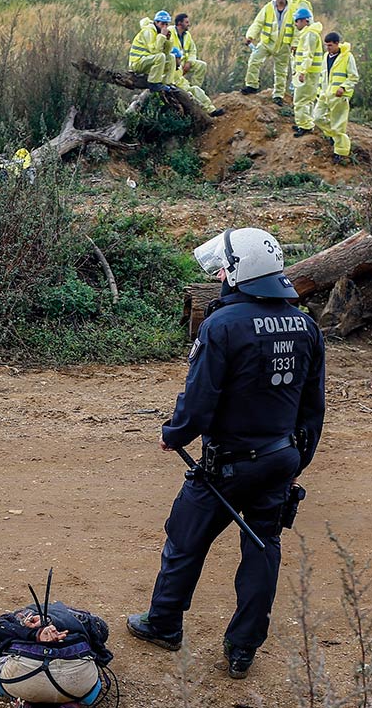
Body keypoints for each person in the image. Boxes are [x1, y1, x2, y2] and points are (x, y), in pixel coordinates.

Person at [126, 227, 326, 678]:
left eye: (223, 266)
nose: (218, 273)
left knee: (184, 538)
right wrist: (297, 463)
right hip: (281, 459)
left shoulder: (221, 325)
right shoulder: (306, 326)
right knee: (263, 548)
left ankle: (163, 624)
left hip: (226, 464)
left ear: (239, 271)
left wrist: (174, 434)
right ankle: (243, 649)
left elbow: (199, 401)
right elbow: (314, 409)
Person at [0, 596, 114, 708]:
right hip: (76, 685)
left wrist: (33, 634)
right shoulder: (80, 618)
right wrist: (62, 623)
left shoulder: (19, 617)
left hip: (21, 680)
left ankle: (22, 703)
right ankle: (71, 705)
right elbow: (102, 631)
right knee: (94, 685)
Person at [243, 0, 295, 104]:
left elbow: (296, 29)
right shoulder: (268, 8)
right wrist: (250, 36)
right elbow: (258, 23)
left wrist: (295, 44)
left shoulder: (293, 9)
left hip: (283, 45)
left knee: (281, 71)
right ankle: (251, 85)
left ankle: (278, 95)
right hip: (267, 43)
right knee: (254, 61)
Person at [312, 32, 359, 164]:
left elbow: (353, 77)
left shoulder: (347, 57)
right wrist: (319, 92)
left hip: (339, 97)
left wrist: (343, 88)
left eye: (330, 45)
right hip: (325, 95)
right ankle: (334, 136)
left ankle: (340, 152)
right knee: (317, 117)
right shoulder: (326, 56)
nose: (328, 48)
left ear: (337, 44)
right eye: (326, 45)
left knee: (339, 125)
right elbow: (323, 77)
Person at [169, 13, 224, 117]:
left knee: (201, 67)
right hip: (174, 67)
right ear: (179, 23)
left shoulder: (187, 35)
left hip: (183, 62)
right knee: (187, 90)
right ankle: (196, 99)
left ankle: (208, 107)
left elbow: (193, 50)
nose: (189, 24)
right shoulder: (170, 32)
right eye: (187, 22)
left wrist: (189, 62)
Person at [290, 8, 323, 137]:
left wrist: (302, 72)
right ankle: (304, 123)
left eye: (297, 21)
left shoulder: (310, 34)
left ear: (305, 20)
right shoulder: (310, 33)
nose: (295, 24)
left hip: (308, 74)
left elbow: (308, 55)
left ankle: (305, 126)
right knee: (307, 99)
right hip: (311, 73)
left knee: (300, 100)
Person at [128, 10, 178, 93]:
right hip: (137, 62)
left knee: (171, 57)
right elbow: (155, 50)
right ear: (156, 22)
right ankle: (154, 84)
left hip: (148, 60)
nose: (164, 27)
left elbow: (166, 53)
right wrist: (162, 36)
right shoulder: (148, 31)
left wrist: (167, 41)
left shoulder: (159, 32)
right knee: (160, 56)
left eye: (166, 24)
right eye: (162, 24)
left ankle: (167, 83)